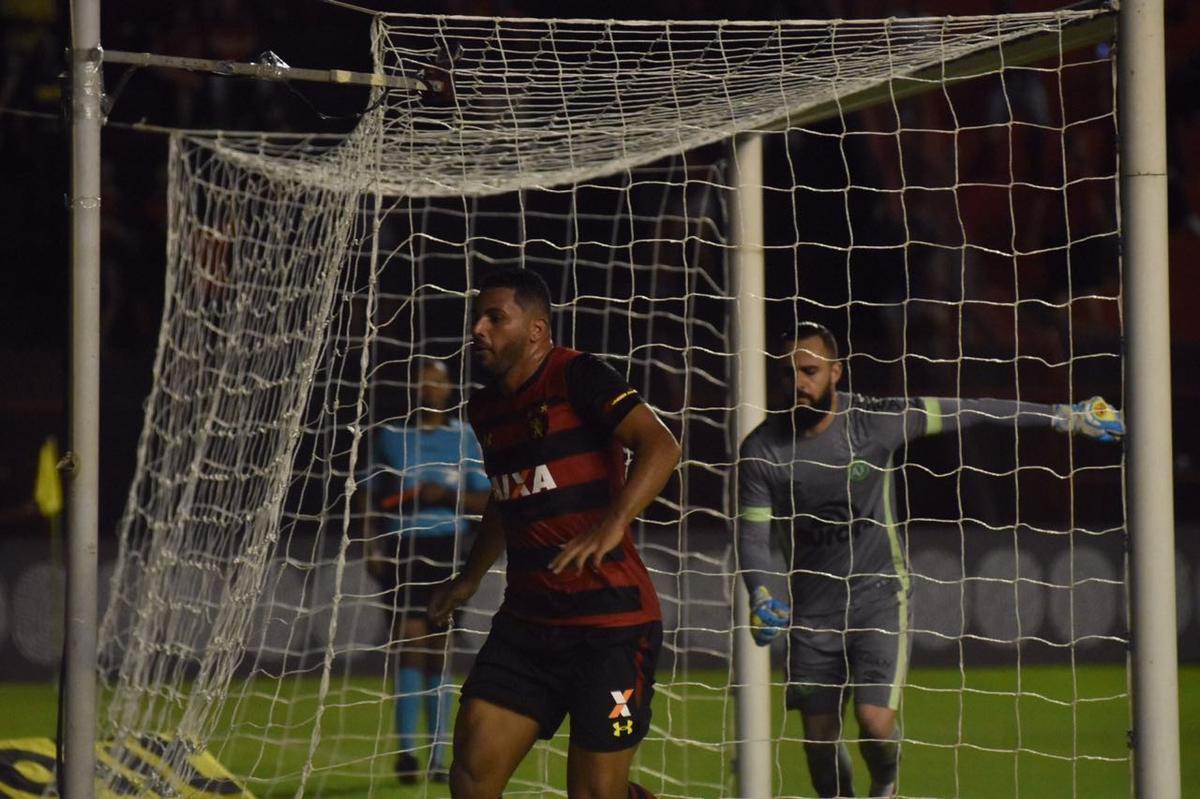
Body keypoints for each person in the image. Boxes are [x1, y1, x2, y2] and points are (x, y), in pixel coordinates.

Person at [736, 322, 1125, 799]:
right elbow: (753, 536)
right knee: (818, 744)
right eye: (787, 373)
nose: (797, 383)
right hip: (813, 612)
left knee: (875, 722)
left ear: (835, 373)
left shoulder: (874, 422)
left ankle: (886, 783)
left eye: (809, 371)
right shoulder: (761, 450)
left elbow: (974, 411)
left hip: (878, 597)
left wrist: (1063, 415)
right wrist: (759, 591)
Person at [428, 267, 680, 799]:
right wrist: (471, 577)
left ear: (538, 331)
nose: (479, 329)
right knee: (471, 777)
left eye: (496, 318)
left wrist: (613, 524)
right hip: (529, 625)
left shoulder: (578, 376)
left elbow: (661, 445)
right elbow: (506, 493)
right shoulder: (486, 408)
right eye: (478, 317)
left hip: (610, 626)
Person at [364, 358, 491, 783]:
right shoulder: (390, 437)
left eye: (437, 380)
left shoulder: (466, 439)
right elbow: (368, 495)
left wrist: (445, 495)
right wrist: (371, 542)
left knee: (439, 650)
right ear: (413, 387)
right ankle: (406, 753)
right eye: (422, 379)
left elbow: (483, 502)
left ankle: (438, 758)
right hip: (404, 548)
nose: (430, 387)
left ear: (449, 388)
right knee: (409, 644)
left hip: (448, 548)